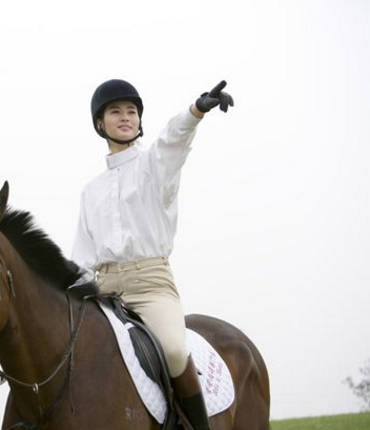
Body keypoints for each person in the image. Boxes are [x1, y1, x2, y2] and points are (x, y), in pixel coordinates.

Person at [71, 79, 233, 430]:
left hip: (150, 287)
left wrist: (196, 111)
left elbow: (173, 139)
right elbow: (82, 257)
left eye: (132, 112)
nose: (125, 117)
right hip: (103, 292)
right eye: (116, 112)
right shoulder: (90, 192)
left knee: (173, 350)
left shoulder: (154, 166)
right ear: (100, 123)